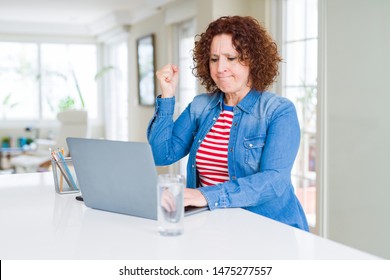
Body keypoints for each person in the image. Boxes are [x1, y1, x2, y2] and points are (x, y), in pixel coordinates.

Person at [147, 15, 309, 231]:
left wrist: (205, 195)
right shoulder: (201, 106)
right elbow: (161, 155)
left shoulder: (278, 111)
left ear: (253, 60)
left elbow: (274, 181)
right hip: (212, 227)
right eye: (214, 59)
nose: (220, 68)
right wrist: (167, 97)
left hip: (268, 229)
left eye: (231, 58)